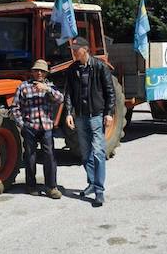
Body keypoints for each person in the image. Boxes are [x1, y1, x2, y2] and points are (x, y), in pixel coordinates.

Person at [64, 37, 115, 206]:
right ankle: (92, 183)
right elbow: (69, 93)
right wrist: (69, 113)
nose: (73, 51)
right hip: (80, 116)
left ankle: (99, 190)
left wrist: (108, 113)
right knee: (85, 154)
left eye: (76, 48)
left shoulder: (100, 66)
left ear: (85, 49)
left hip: (96, 116)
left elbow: (110, 92)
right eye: (72, 48)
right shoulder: (72, 69)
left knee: (99, 152)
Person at [12, 59, 64, 199]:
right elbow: (15, 107)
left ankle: (51, 187)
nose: (39, 73)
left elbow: (60, 99)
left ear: (46, 73)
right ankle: (31, 186)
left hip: (46, 126)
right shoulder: (23, 87)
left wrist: (47, 89)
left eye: (42, 71)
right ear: (32, 72)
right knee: (30, 157)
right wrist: (22, 124)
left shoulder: (50, 86)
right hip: (30, 127)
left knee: (50, 157)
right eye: (36, 70)